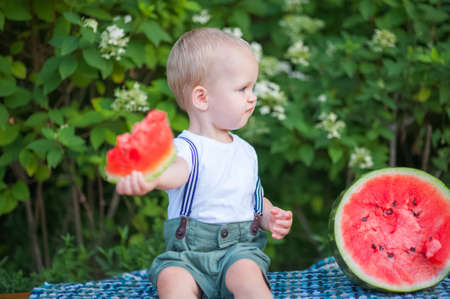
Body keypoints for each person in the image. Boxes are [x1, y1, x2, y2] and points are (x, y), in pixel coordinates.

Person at [116, 27, 293, 299]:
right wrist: (150, 177)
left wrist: (269, 216)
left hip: (239, 250)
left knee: (248, 276)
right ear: (202, 98)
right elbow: (175, 172)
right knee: (171, 278)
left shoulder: (246, 152)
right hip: (188, 255)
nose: (252, 96)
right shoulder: (186, 148)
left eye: (253, 87)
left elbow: (253, 201)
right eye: (242, 88)